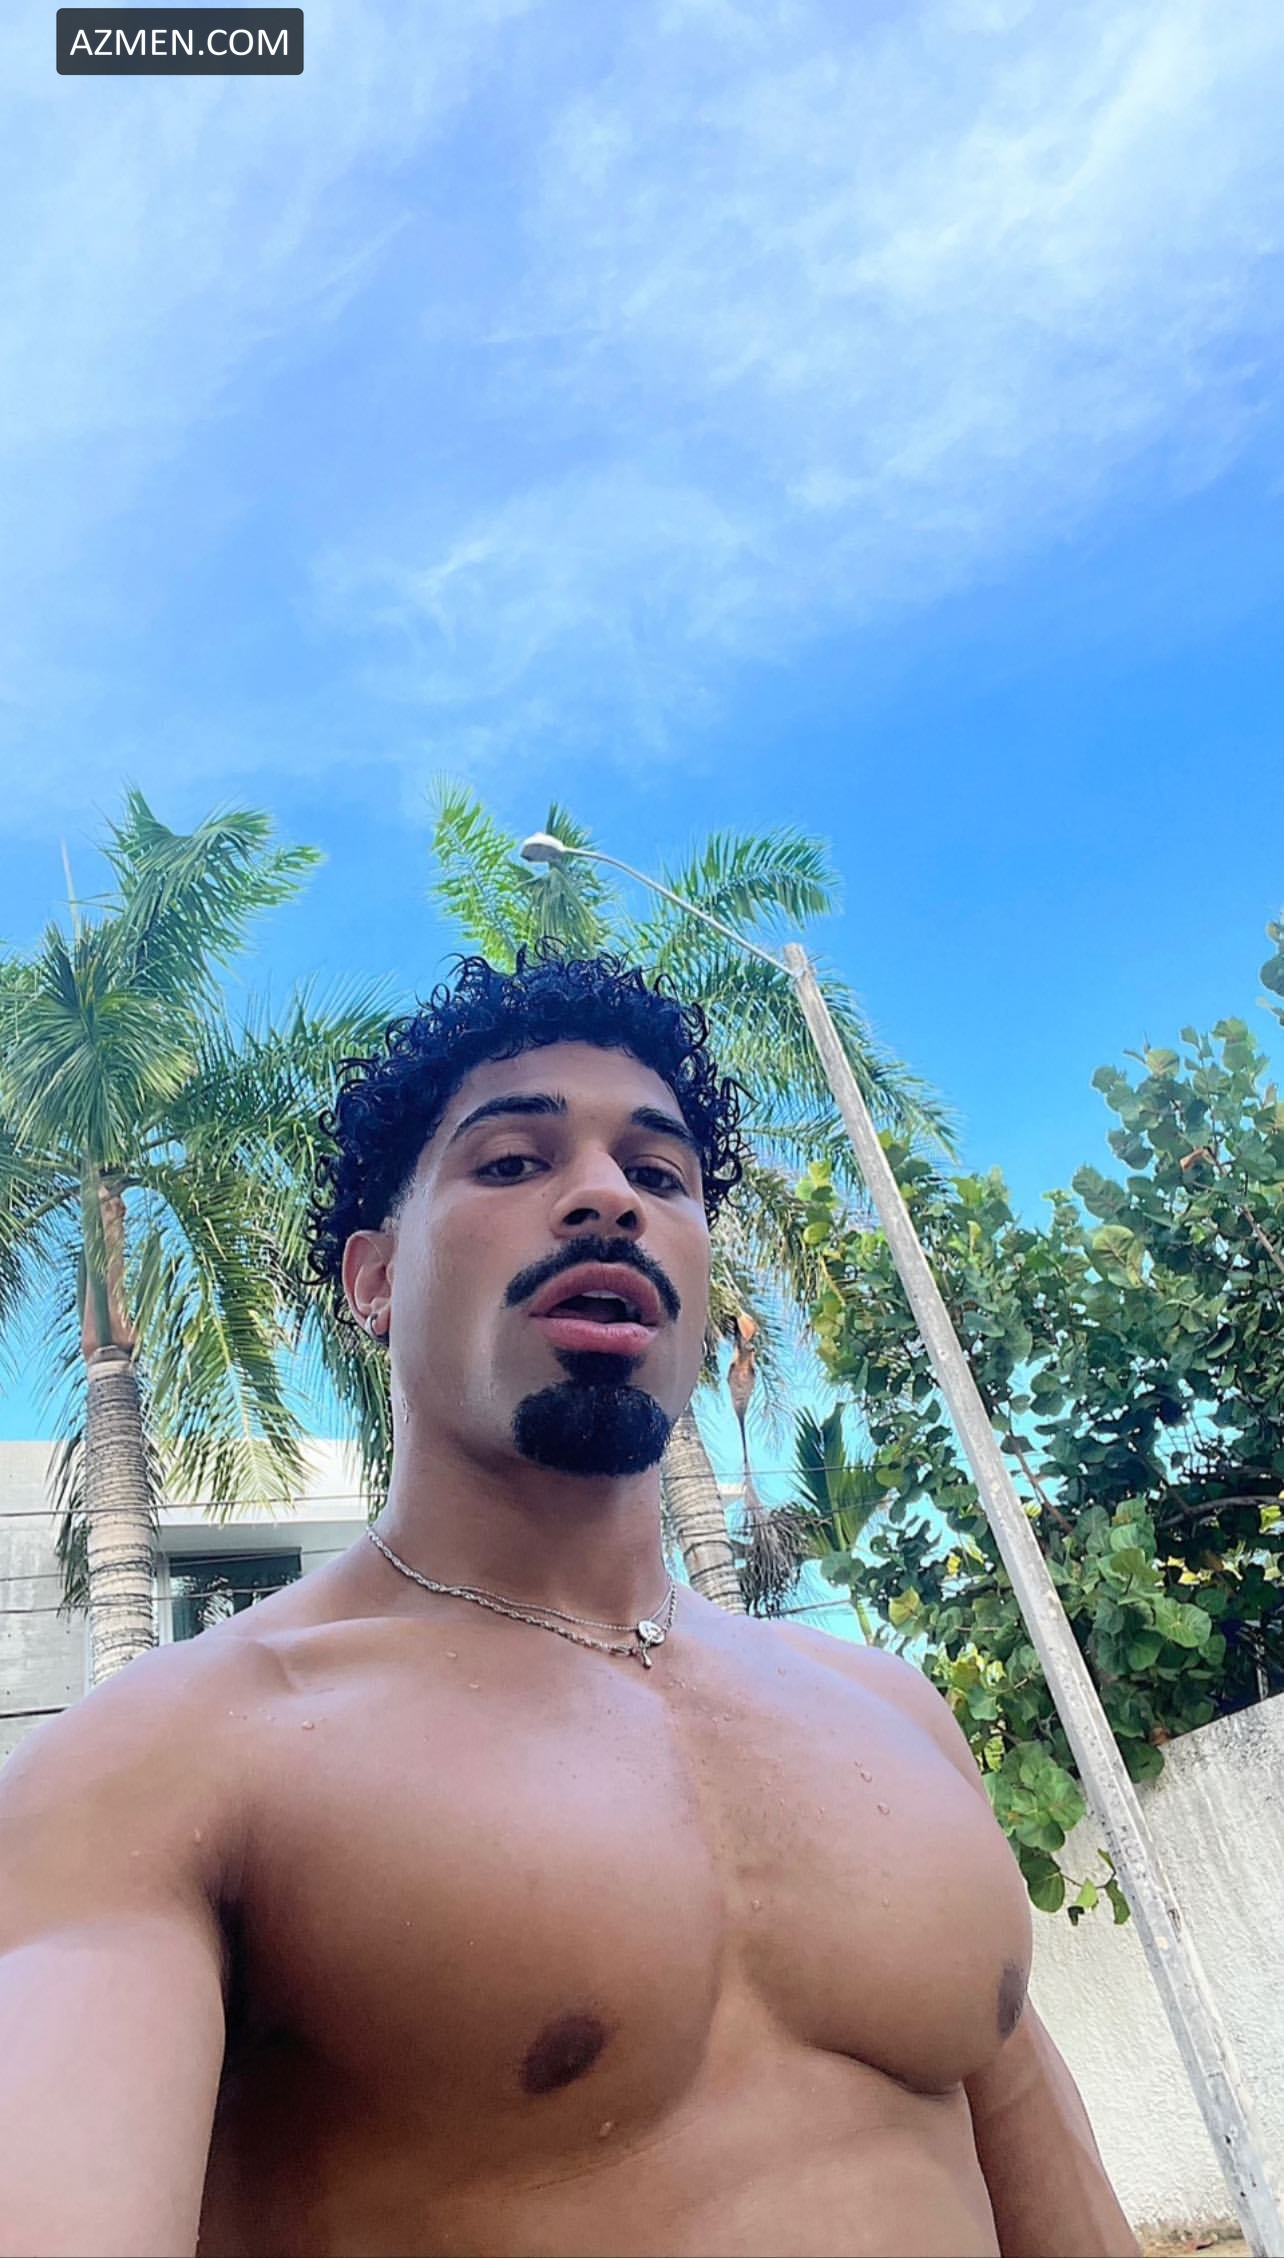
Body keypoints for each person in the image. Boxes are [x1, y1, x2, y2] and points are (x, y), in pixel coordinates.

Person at [0, 951, 1139, 2258]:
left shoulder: (890, 1712)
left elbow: (1056, 2199)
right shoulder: (173, 1758)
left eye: (661, 1175)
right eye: (510, 1161)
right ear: (373, 1279)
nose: (608, 1195)